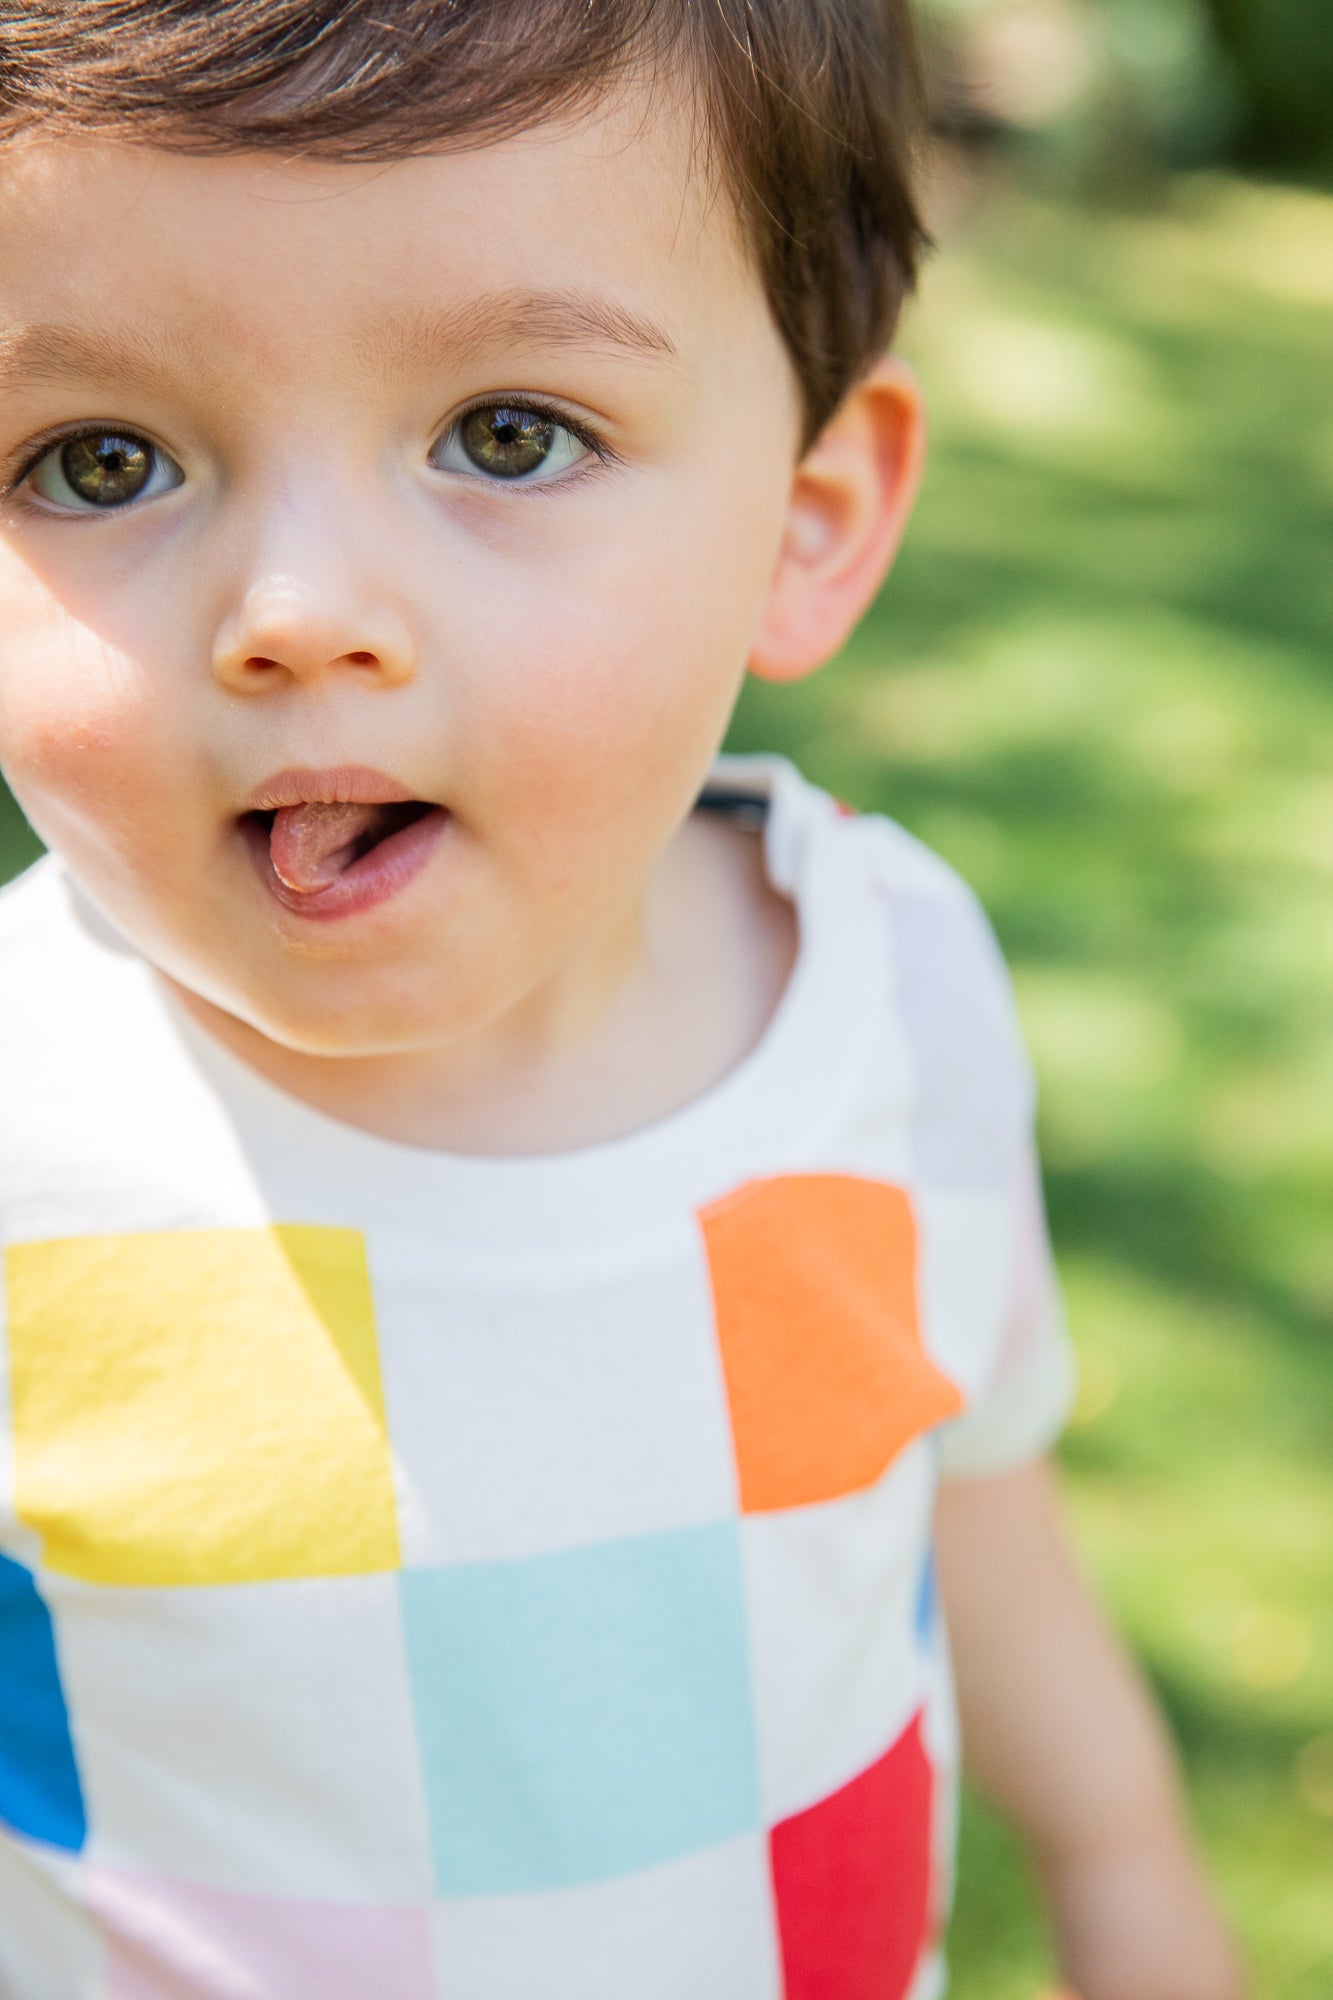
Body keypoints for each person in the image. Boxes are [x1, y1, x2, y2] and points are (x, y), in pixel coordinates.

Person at [0, 4, 1243, 1996]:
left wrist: (1127, 1895)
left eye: (510, 432)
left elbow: (980, 1509)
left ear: (805, 526)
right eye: (100, 458)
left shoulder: (890, 996)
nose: (300, 610)